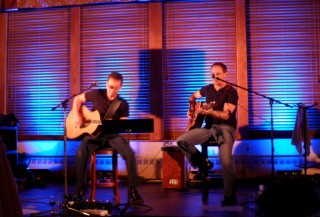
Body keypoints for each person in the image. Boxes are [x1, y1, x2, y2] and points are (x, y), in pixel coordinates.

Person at [72, 72, 143, 205]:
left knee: (130, 154)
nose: (112, 90)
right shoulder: (96, 94)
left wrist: (113, 125)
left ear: (120, 88)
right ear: (106, 84)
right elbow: (77, 99)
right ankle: (80, 190)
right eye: (110, 87)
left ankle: (132, 190)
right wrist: (76, 115)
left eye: (115, 88)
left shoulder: (122, 104)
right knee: (81, 152)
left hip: (112, 136)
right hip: (94, 135)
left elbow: (122, 126)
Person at [176, 62, 238, 206]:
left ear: (225, 75)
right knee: (181, 140)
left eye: (218, 74)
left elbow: (226, 115)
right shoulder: (207, 89)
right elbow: (192, 96)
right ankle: (203, 163)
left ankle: (229, 196)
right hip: (209, 128)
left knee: (226, 159)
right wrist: (191, 110)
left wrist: (209, 111)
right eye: (213, 75)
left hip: (225, 128)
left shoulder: (231, 92)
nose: (215, 77)